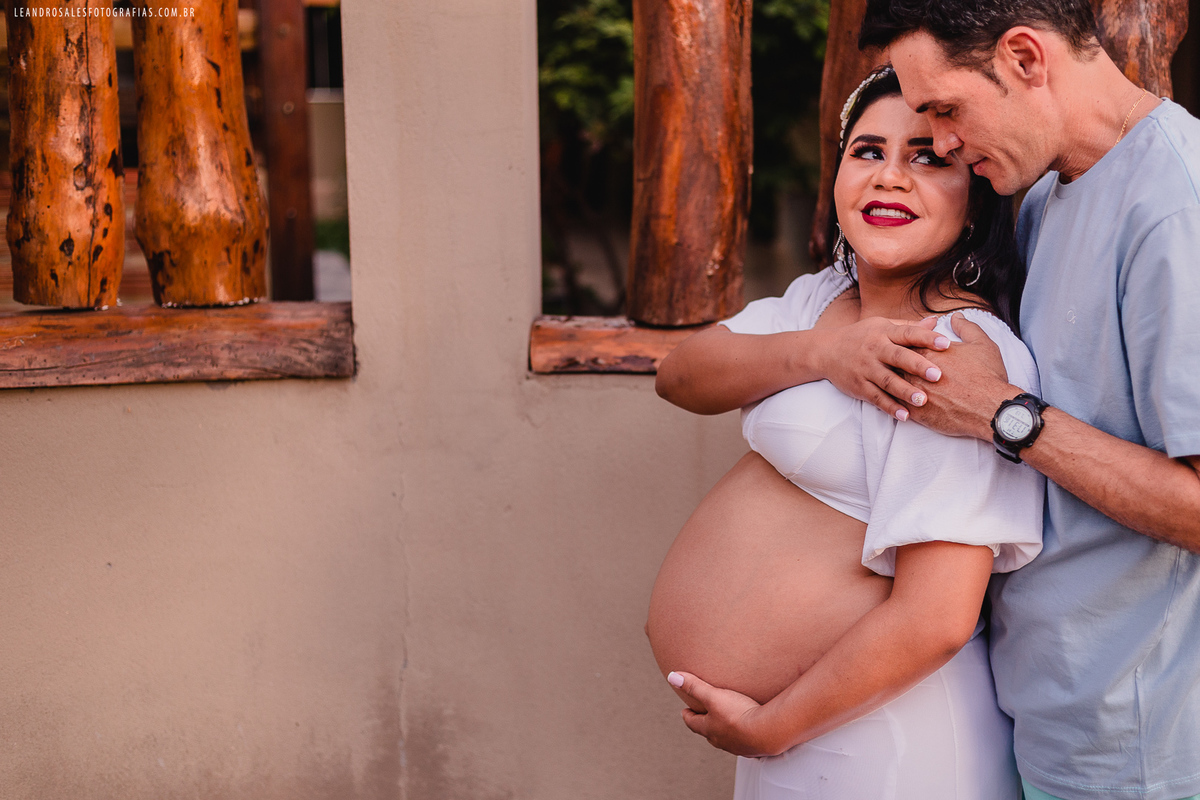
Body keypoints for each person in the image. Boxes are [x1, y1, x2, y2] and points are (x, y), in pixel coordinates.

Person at [646, 65, 1043, 799]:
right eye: (868, 151)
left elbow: (936, 618)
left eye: (928, 157)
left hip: (888, 742)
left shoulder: (951, 353)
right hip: (789, 734)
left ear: (978, 194)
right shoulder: (824, 298)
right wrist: (821, 354)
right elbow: (682, 376)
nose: (889, 178)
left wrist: (773, 728)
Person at [834, 3, 1200, 799]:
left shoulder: (1179, 211)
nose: (944, 143)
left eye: (945, 111)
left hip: (1141, 749)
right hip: (1044, 719)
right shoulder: (1044, 194)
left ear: (1026, 58)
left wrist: (1006, 417)